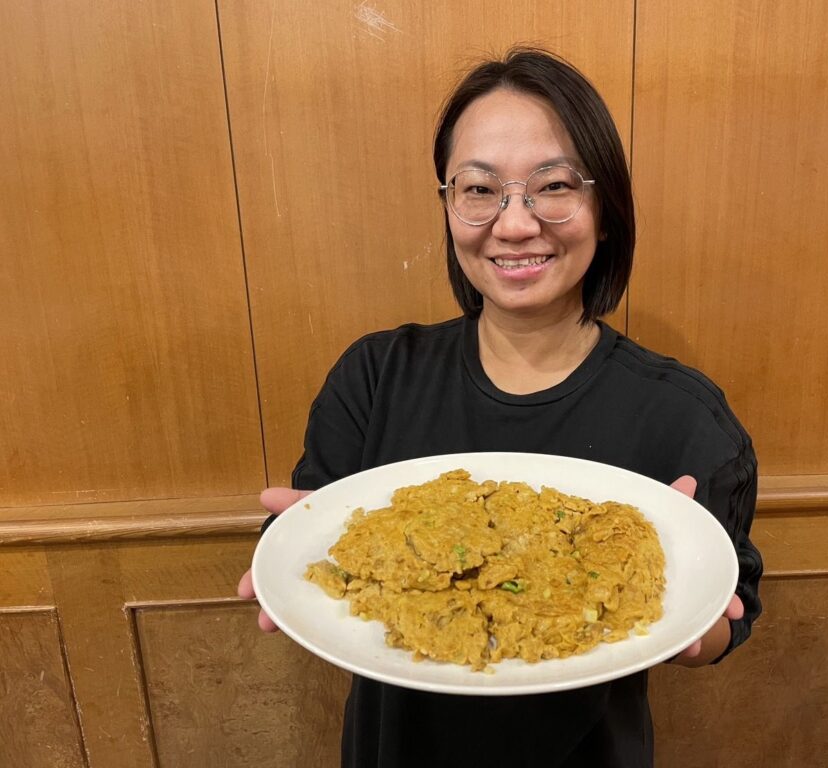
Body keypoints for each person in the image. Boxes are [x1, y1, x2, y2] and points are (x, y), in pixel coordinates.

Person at [237, 47, 762, 768]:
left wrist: (690, 622)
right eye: (479, 190)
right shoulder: (374, 377)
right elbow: (316, 538)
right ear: (449, 208)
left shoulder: (683, 417)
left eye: (552, 186)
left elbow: (727, 625)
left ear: (604, 210)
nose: (515, 225)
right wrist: (291, 555)